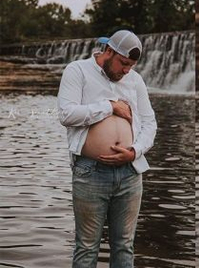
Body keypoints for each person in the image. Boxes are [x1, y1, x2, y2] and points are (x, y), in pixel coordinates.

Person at [57, 29, 157, 267]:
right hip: (91, 173)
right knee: (87, 246)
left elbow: (150, 123)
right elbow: (66, 114)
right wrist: (109, 106)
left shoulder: (135, 80)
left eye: (131, 66)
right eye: (123, 63)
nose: (126, 71)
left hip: (131, 173)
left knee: (124, 246)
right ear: (109, 51)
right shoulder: (78, 71)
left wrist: (135, 151)